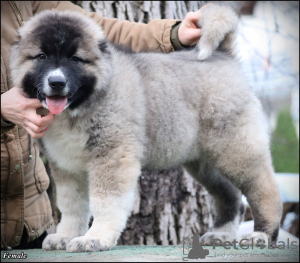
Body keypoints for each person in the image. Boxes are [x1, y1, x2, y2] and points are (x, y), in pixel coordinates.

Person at [1, 1, 204, 250]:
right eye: (41, 57)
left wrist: (173, 34)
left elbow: (99, 32)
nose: (56, 75)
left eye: (74, 58)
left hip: (26, 219)